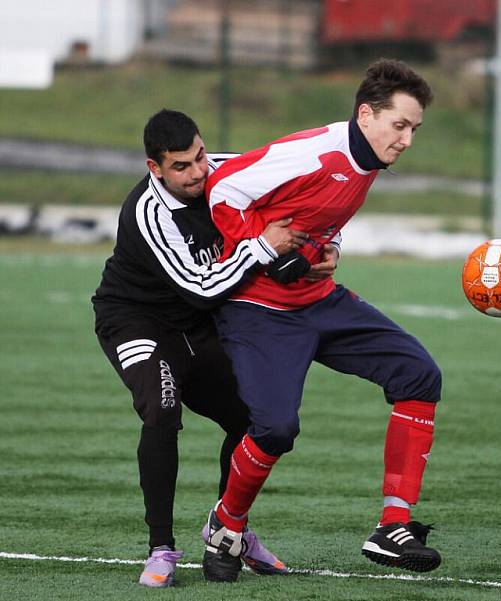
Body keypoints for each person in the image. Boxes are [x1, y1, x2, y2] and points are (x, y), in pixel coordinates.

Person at [198, 59, 441, 582]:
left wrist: (327, 249)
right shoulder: (316, 152)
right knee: (276, 428)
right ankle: (226, 526)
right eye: (400, 125)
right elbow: (222, 186)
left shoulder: (367, 159)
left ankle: (393, 525)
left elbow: (315, 217)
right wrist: (260, 249)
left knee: (419, 374)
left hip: (319, 300)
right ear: (366, 115)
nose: (407, 140)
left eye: (414, 129)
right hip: (258, 309)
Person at [92, 109, 338, 586]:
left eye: (200, 156)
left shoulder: (228, 170)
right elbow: (201, 288)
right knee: (162, 412)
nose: (198, 173)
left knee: (256, 420)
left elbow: (311, 197)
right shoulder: (147, 212)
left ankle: (228, 529)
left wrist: (323, 248)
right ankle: (161, 548)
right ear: (154, 168)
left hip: (197, 325)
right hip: (136, 320)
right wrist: (264, 248)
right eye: (180, 166)